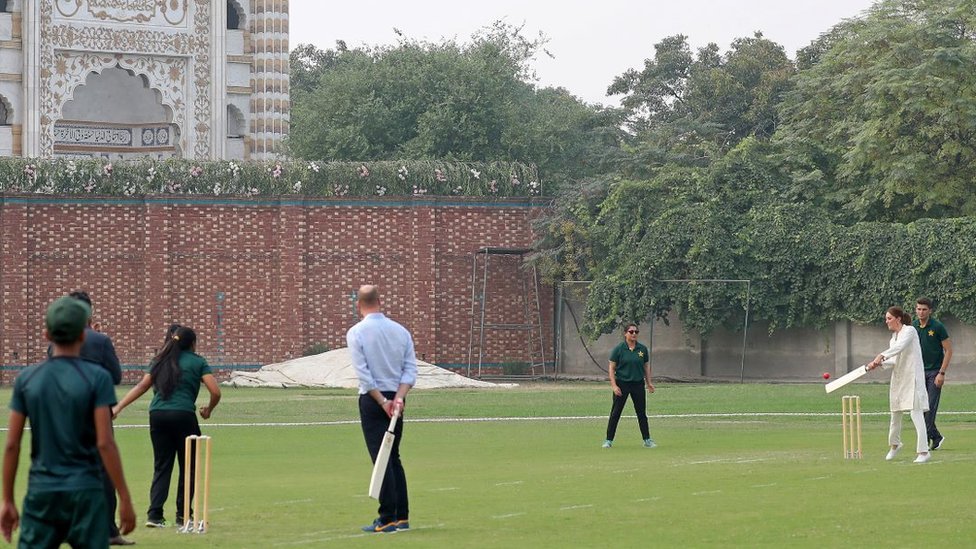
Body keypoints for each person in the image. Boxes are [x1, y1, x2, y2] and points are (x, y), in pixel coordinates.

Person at [1, 296, 136, 547]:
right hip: (86, 490)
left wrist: (7, 500)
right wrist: (125, 498)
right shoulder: (97, 378)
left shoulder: (27, 379)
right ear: (83, 335)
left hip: (42, 491)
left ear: (46, 335)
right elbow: (105, 443)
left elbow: (11, 445)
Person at [112, 326, 221, 528]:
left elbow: (141, 386)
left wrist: (118, 407)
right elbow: (215, 391)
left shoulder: (159, 360)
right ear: (192, 344)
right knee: (188, 466)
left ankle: (154, 515)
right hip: (184, 416)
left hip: (158, 416)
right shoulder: (198, 362)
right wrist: (208, 410)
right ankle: (183, 516)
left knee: (162, 465)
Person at [63, 291, 132, 546]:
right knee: (104, 471)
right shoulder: (100, 340)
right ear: (89, 314)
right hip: (96, 413)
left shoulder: (56, 342)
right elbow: (115, 376)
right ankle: (109, 531)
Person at [347, 285, 416, 533]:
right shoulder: (401, 331)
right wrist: (398, 398)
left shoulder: (356, 333)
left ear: (359, 304)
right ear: (380, 301)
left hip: (374, 400)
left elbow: (364, 376)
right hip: (397, 400)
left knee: (382, 458)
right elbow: (410, 370)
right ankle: (402, 516)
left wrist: (382, 401)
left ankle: (386, 517)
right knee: (393, 456)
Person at [866, 306, 931, 463]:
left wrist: (881, 356)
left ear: (898, 319)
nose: (886, 321)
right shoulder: (893, 338)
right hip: (899, 379)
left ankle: (924, 452)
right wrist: (880, 364)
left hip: (913, 378)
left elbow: (899, 348)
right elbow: (894, 359)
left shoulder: (909, 331)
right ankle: (895, 445)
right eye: (886, 318)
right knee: (895, 413)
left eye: (889, 318)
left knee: (916, 414)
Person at [602, 323, 656, 449]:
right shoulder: (619, 349)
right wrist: (614, 386)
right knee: (616, 413)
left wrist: (649, 383)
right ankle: (608, 440)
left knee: (641, 413)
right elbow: (611, 367)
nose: (634, 334)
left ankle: (647, 440)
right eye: (631, 332)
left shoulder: (642, 349)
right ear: (625, 333)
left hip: (637, 384)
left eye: (636, 332)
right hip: (622, 383)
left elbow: (646, 366)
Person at [912, 297, 952, 451]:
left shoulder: (937, 327)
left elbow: (949, 350)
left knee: (929, 408)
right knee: (920, 408)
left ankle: (928, 440)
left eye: (924, 309)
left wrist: (941, 373)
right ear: (915, 310)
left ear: (930, 311)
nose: (921, 312)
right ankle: (935, 437)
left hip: (934, 372)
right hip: (918, 373)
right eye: (918, 309)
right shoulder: (913, 327)